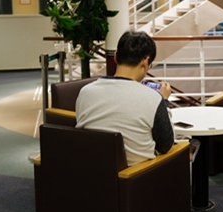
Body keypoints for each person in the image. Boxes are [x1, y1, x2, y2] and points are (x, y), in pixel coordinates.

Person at [75, 29, 175, 167]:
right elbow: (166, 145)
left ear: (116, 57)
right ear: (145, 62)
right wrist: (164, 101)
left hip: (91, 170)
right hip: (138, 175)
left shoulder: (85, 92)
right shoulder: (153, 98)